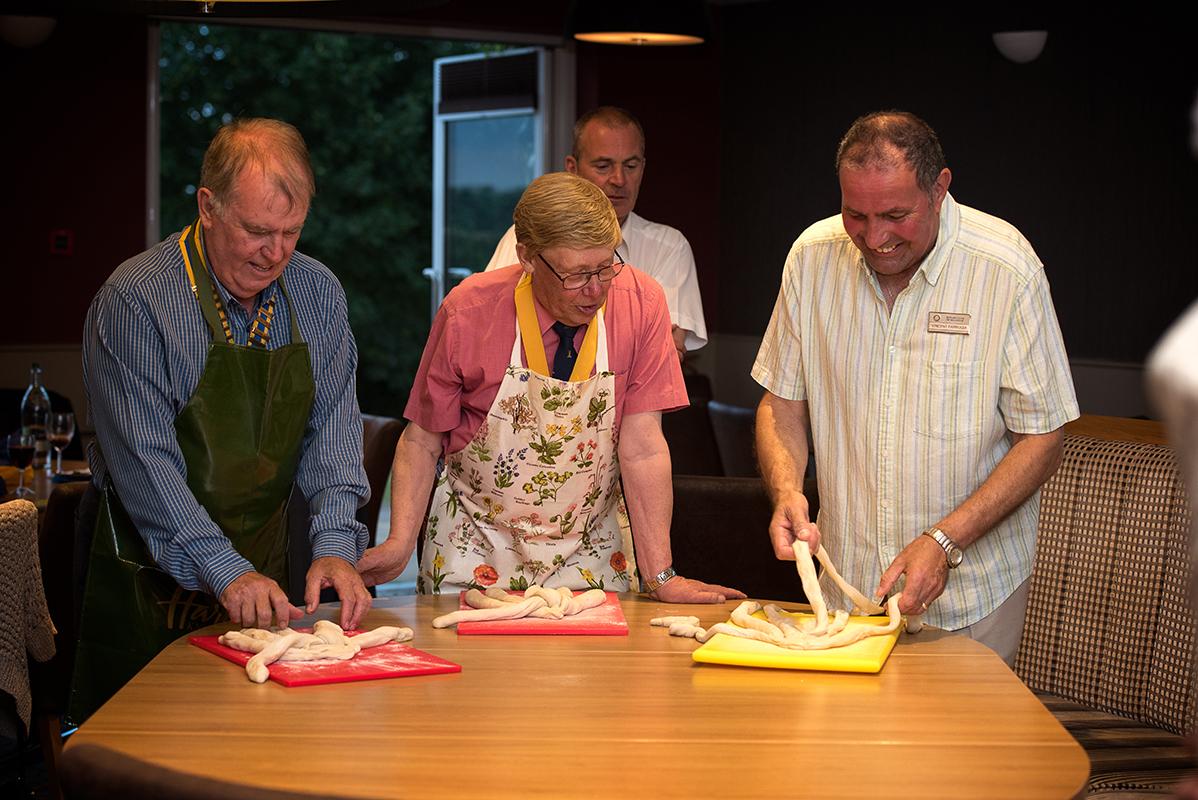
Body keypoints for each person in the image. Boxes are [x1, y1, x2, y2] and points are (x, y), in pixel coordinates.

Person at [753, 111, 1079, 664]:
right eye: (856, 213)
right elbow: (782, 402)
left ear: (940, 188)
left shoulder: (1005, 268)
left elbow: (1042, 438)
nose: (874, 237)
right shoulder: (812, 258)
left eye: (896, 215)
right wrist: (787, 492)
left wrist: (944, 541)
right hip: (846, 591)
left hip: (971, 595)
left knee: (962, 752)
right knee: (844, 750)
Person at [73, 118, 372, 721]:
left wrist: (336, 543)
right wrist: (225, 570)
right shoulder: (135, 301)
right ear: (207, 207)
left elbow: (334, 426)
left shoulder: (318, 292)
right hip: (142, 566)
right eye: (258, 231)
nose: (277, 253)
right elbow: (144, 467)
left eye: (292, 232)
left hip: (267, 562)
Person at [358, 172, 740, 603]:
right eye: (576, 275)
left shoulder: (642, 303)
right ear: (527, 257)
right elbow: (423, 440)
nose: (595, 291)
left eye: (605, 267)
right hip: (475, 552)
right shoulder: (468, 311)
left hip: (591, 556)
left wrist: (661, 575)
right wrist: (399, 544)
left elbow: (644, 447)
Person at [485, 107, 707, 361]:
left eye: (631, 166)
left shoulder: (669, 246)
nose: (619, 179)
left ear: (643, 168)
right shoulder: (528, 235)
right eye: (603, 166)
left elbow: (665, 354)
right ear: (573, 168)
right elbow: (493, 327)